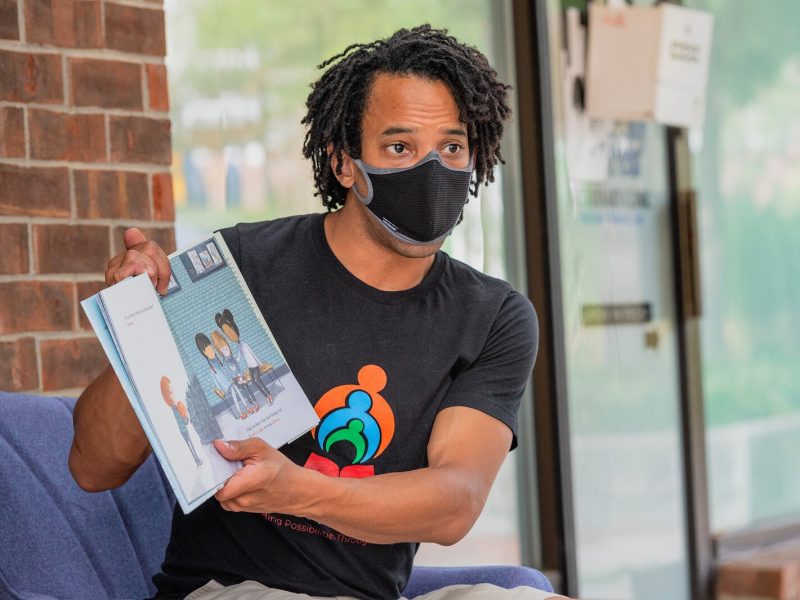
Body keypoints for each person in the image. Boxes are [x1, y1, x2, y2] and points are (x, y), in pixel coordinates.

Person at [69, 25, 569, 600]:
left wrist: (294, 489)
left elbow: (454, 502)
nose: (431, 174)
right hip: (227, 589)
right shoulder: (243, 266)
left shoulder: (493, 316)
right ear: (343, 163)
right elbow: (93, 467)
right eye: (400, 147)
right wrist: (148, 325)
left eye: (451, 148)